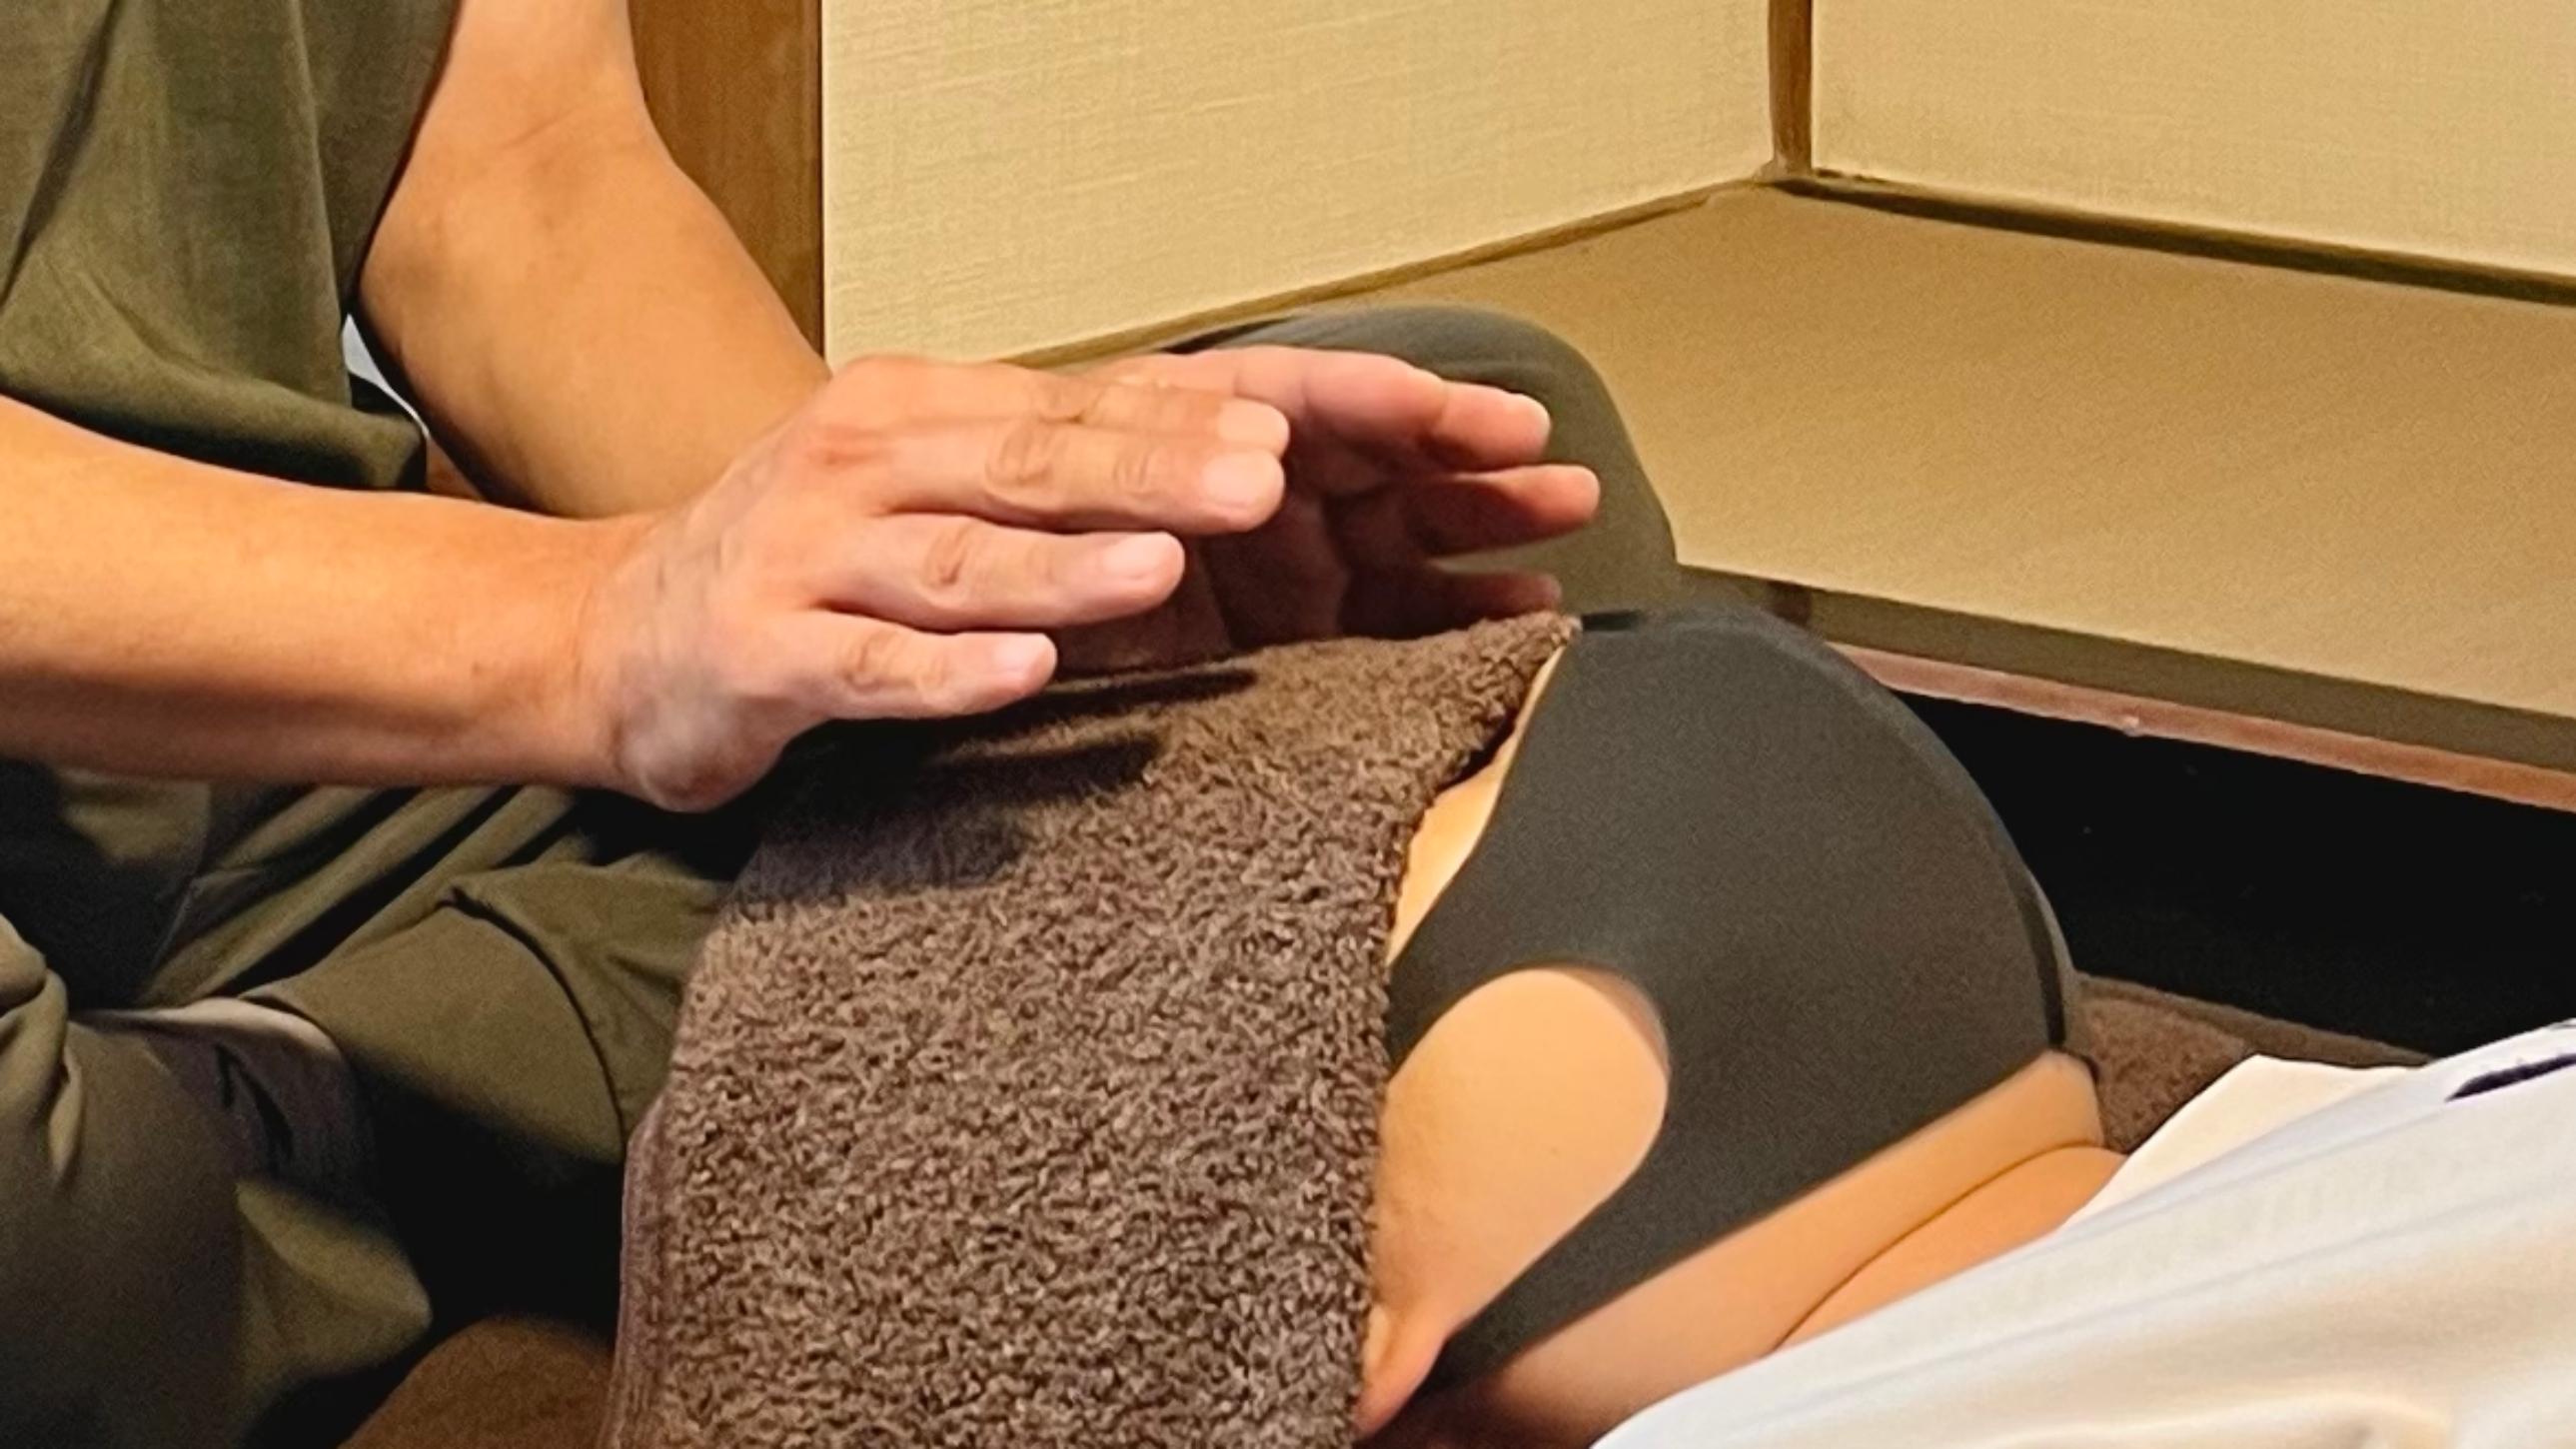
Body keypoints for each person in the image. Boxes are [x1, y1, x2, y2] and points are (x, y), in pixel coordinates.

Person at [0, 3, 1681, 1445]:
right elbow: (598, 623)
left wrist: (959, 599)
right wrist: (603, 626)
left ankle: (281, 1154)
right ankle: (416, 1126)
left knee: (1483, 538)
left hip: (351, 731)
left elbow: (514, 168)